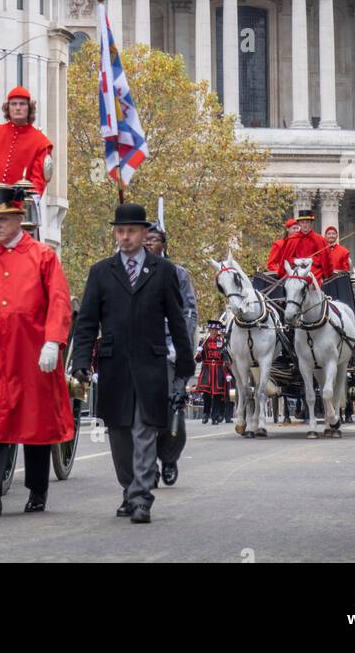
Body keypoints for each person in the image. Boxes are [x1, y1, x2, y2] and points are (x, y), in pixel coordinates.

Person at [0, 181, 73, 517]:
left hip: (32, 354)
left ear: (19, 218)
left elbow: (59, 302)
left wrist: (53, 341)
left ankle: (37, 491)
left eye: (3, 219)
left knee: (34, 426)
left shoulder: (43, 257)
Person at [70, 203, 195, 524]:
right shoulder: (101, 272)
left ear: (143, 234)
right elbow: (86, 322)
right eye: (120, 231)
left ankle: (141, 497)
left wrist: (184, 366)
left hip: (151, 366)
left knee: (144, 430)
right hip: (113, 368)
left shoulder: (164, 272)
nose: (125, 237)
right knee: (119, 435)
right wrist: (81, 361)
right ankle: (130, 487)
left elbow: (179, 323)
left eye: (131, 231)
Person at [145, 223, 197, 486]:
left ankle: (169, 457)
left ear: (163, 244)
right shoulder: (132, 271)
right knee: (142, 414)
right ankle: (147, 467)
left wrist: (182, 347)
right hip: (142, 351)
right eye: (145, 239)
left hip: (169, 350)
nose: (147, 243)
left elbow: (188, 312)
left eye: (153, 239)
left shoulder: (178, 273)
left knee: (171, 410)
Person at [273, 209, 329, 282]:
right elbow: (286, 259)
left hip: (313, 269)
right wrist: (295, 260)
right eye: (302, 222)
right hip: (295, 268)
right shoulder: (292, 239)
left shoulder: (320, 239)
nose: (305, 225)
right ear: (299, 224)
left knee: (311, 278)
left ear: (311, 223)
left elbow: (324, 259)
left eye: (307, 222)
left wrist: (312, 260)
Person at [195, 322, 231, 424]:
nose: (214, 332)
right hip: (207, 369)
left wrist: (226, 360)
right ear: (209, 330)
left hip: (219, 370)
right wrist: (199, 352)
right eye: (212, 330)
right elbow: (198, 359)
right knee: (206, 393)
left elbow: (226, 358)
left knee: (217, 395)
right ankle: (206, 413)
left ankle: (214, 417)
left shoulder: (221, 341)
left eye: (215, 330)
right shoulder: (203, 341)